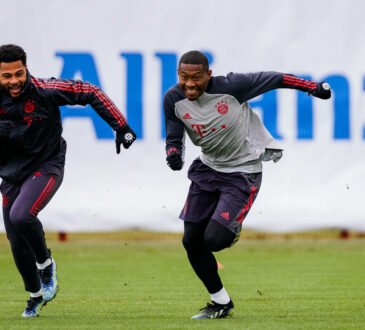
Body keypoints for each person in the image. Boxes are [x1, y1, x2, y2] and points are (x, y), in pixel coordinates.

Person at [163, 50, 331, 320]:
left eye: (197, 77)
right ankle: (220, 302)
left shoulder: (232, 87)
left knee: (215, 240)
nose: (190, 84)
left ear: (209, 74)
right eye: (184, 77)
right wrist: (173, 153)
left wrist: (312, 87)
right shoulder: (173, 98)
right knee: (191, 241)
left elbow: (276, 78)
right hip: (207, 169)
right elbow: (174, 134)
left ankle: (230, 229)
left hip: (242, 172)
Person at [0, 44, 136, 318]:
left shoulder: (45, 90)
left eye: (19, 73)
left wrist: (120, 126)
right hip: (11, 174)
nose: (14, 81)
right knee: (16, 241)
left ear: (26, 69)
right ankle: (35, 296)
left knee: (22, 215)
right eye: (6, 76)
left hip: (46, 165)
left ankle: (46, 264)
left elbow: (90, 92)